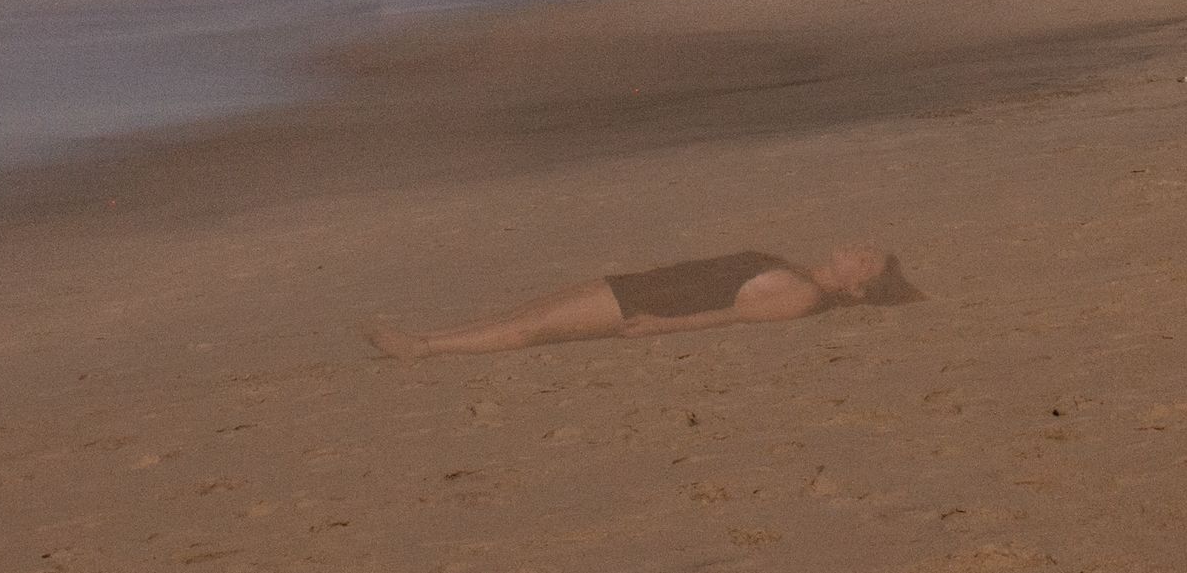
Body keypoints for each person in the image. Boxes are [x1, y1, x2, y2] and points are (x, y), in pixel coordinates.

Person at [370, 244, 919, 357]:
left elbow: (732, 314)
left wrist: (662, 327)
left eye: (866, 263)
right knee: (524, 313)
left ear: (855, 289)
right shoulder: (799, 270)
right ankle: (429, 337)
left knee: (530, 329)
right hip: (649, 284)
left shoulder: (802, 294)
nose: (859, 251)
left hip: (653, 305)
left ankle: (421, 348)